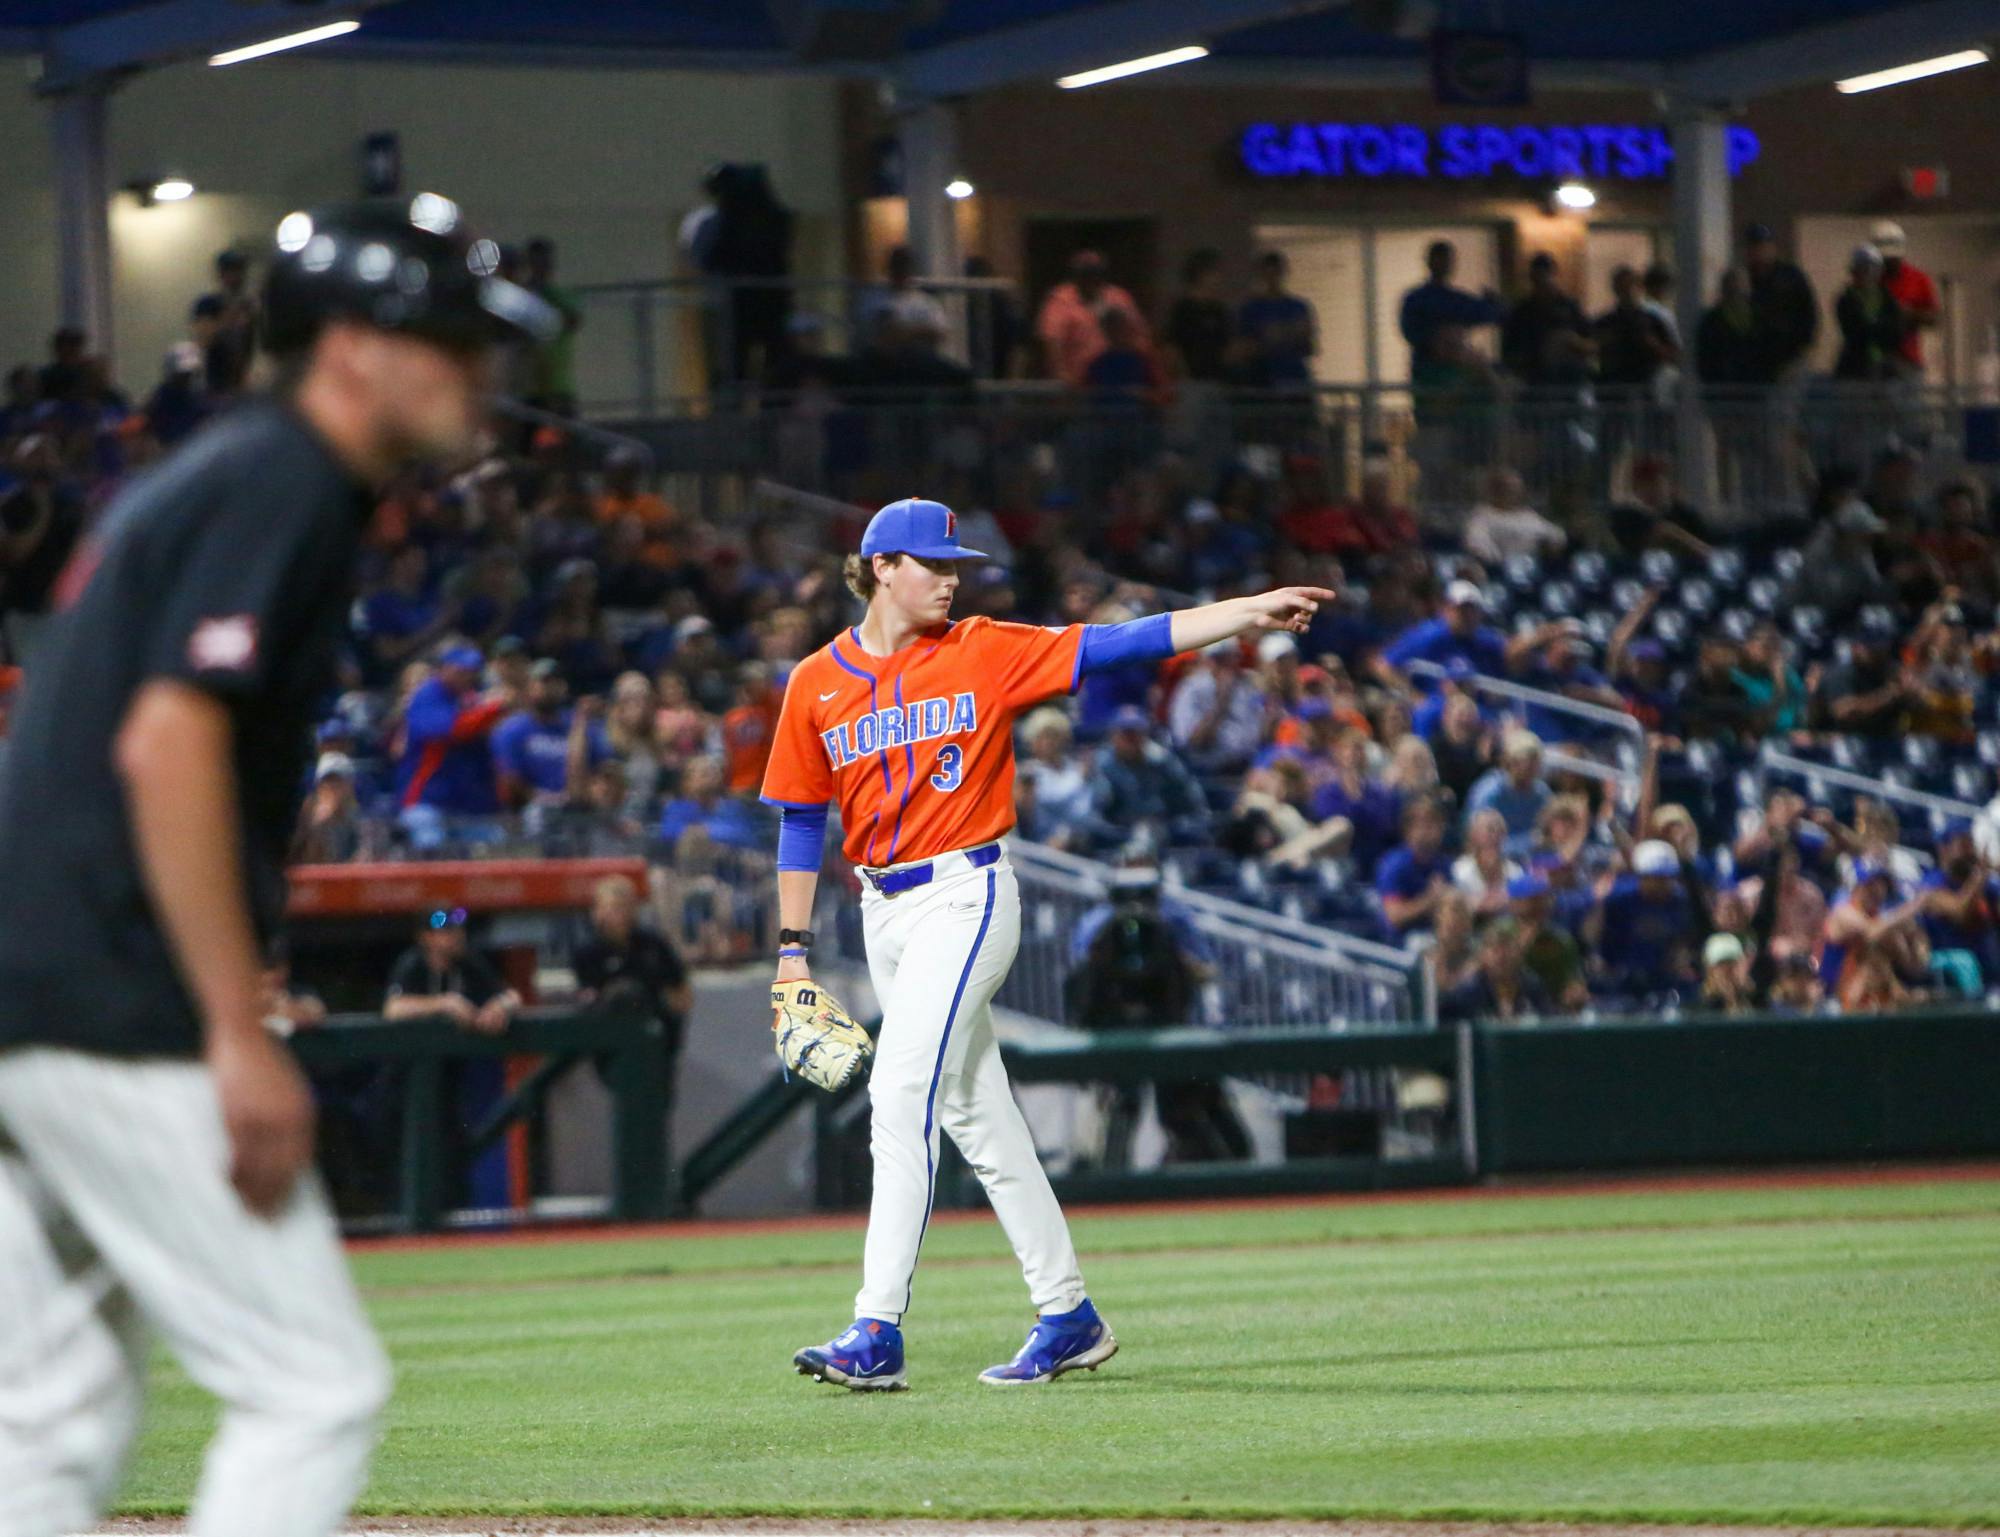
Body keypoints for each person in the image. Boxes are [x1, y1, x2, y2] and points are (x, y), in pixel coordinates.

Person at [0, 195, 553, 1536]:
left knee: (52, 1408)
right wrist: (235, 1025)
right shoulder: (285, 474)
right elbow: (169, 743)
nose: (478, 377)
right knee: (313, 1386)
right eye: (450, 342)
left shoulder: (229, 468)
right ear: (354, 345)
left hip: (30, 988)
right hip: (112, 997)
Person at [759, 494, 1329, 1389]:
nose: (951, 578)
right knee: (978, 1118)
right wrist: (792, 948)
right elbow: (799, 821)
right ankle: (1068, 1313)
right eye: (934, 564)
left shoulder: (983, 650)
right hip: (880, 910)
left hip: (967, 893)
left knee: (901, 1091)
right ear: (881, 569)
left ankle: (875, 1329)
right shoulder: (815, 683)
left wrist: (1244, 614)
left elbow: (1122, 641)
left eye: (957, 565)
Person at [572, 874, 692, 1124]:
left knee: (656, 1116)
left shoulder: (653, 945)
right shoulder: (588, 952)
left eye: (621, 907)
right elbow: (587, 999)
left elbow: (682, 994)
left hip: (658, 1045)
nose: (615, 915)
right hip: (613, 1050)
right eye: (608, 907)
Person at [1035, 250, 1149, 389]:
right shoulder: (1060, 299)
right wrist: (1061, 375)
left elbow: (1139, 335)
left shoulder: (1119, 297)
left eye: (1094, 274)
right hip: (1078, 384)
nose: (1090, 280)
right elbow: (1052, 341)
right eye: (1085, 275)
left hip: (1121, 378)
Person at [1501, 253, 1594, 391]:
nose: (1543, 282)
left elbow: (1589, 342)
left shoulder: (1569, 307)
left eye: (1546, 275)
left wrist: (1569, 341)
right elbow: (1510, 350)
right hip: (1534, 379)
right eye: (1538, 277)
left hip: (1568, 379)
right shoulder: (1522, 311)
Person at [1742, 223, 1818, 385]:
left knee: (1783, 406)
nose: (1759, 252)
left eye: (1763, 246)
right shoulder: (1743, 279)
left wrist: (1800, 349)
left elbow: (1808, 314)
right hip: (1756, 363)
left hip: (1790, 358)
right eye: (1754, 246)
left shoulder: (1791, 277)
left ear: (1772, 248)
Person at [522, 236, 584, 414]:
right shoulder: (522, 297)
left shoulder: (560, 295)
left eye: (545, 262)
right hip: (529, 388)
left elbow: (573, 319)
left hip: (558, 387)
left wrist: (545, 290)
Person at [1238, 250, 1316, 388]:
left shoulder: (1298, 307)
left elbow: (1309, 347)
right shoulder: (1251, 309)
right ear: (1261, 275)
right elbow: (1244, 350)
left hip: (1296, 378)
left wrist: (1280, 333)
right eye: (1268, 274)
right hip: (1264, 381)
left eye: (1276, 273)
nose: (1273, 279)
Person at [1872, 221, 1939, 376]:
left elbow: (1933, 317)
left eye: (1892, 259)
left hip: (1907, 359)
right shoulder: (1869, 282)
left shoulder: (1918, 279)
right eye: (1885, 260)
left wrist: (1906, 313)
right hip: (1873, 359)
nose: (1889, 264)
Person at [1462, 466, 1566, 564]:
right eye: (1507, 489)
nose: (1513, 493)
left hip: (1531, 568)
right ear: (1495, 491)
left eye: (1516, 489)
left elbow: (1555, 534)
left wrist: (1553, 544)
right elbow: (1478, 544)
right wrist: (1499, 560)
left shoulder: (1528, 516)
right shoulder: (1482, 516)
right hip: (1500, 570)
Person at [1834, 245, 1906, 382]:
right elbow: (1855, 331)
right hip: (1856, 367)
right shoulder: (1846, 299)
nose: (1867, 274)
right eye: (1863, 269)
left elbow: (1896, 330)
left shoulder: (1887, 298)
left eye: (1872, 269)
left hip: (1885, 366)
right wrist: (1878, 326)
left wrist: (1874, 326)